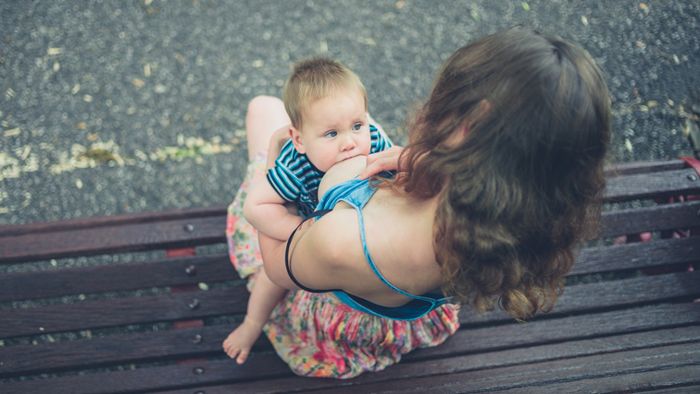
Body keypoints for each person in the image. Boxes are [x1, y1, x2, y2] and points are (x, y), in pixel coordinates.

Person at [223, 27, 611, 378]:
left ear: (469, 123)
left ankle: (253, 322)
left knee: (262, 109)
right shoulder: (512, 217)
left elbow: (278, 268)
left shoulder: (340, 240)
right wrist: (419, 157)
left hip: (327, 289)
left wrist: (274, 161)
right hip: (404, 316)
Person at [222, 57, 392, 364]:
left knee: (263, 107)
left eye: (357, 125)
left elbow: (393, 170)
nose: (350, 143)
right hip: (308, 224)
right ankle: (251, 324)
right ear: (299, 140)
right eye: (331, 134)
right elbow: (256, 206)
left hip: (356, 237)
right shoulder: (295, 168)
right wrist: (298, 230)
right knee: (270, 278)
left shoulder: (374, 141)